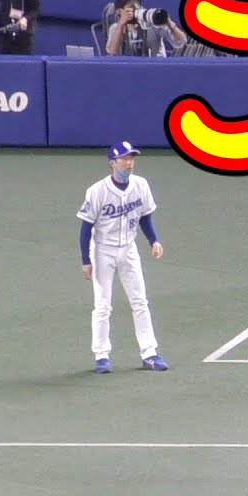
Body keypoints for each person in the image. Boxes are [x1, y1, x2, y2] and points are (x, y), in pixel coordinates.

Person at [77, 141, 169, 374]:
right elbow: (85, 228)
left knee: (140, 302)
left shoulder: (141, 185)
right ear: (112, 163)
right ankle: (101, 356)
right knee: (102, 305)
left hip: (129, 249)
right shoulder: (97, 191)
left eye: (131, 158)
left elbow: (145, 217)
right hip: (102, 251)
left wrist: (154, 240)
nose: (129, 163)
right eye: (124, 159)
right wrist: (86, 260)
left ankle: (149, 353)